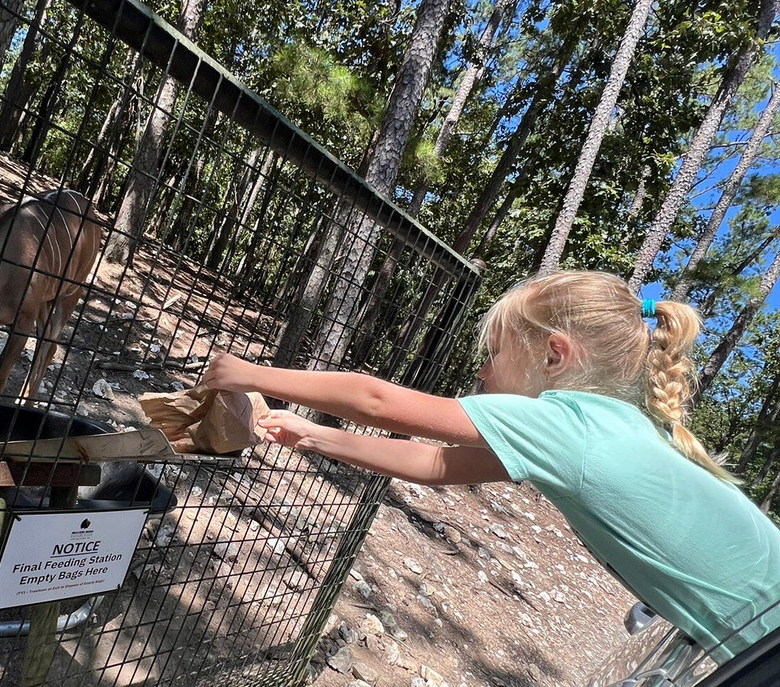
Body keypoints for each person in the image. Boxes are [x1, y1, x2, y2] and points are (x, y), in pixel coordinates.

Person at [200, 270, 780, 663]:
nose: (483, 373)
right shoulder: (615, 429)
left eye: (495, 354)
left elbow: (378, 401)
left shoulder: (567, 424)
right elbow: (433, 463)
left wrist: (251, 374)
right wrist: (316, 435)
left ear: (554, 354)